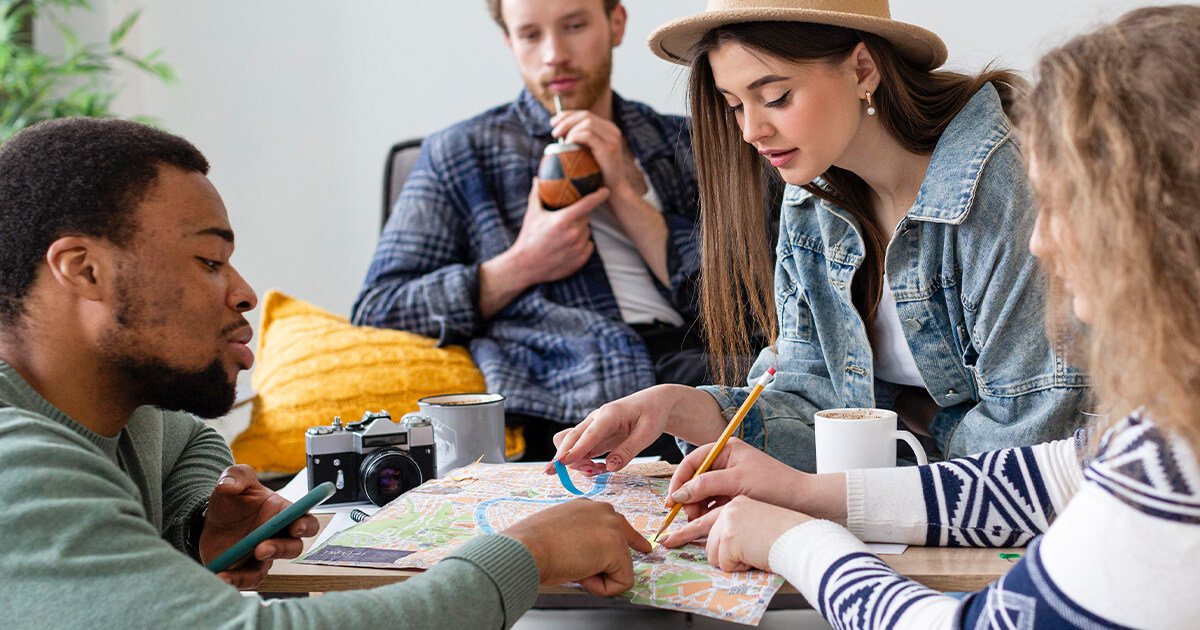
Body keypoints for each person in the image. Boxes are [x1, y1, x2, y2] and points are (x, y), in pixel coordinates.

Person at [655, 6, 1200, 628]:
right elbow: (1060, 466)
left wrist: (796, 538)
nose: (1041, 242)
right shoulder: (1160, 437)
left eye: (775, 96)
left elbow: (975, 620)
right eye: (733, 104)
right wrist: (784, 478)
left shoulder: (1174, 471)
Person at [0, 118, 650, 629]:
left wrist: (199, 519)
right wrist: (528, 554)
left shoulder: (120, 405)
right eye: (208, 260)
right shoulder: (17, 471)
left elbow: (184, 437)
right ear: (83, 270)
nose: (244, 292)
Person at [552, 0, 1087, 475]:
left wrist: (910, 436)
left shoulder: (1006, 183)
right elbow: (811, 406)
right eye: (736, 104)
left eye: (777, 97)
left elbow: (1031, 444)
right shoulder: (812, 197)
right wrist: (673, 405)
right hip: (925, 510)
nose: (750, 131)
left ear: (862, 69)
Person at [351, 0, 707, 461]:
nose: (554, 54)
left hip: (701, 369)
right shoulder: (462, 154)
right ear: (510, 43)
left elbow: (756, 300)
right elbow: (379, 308)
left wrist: (627, 194)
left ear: (616, 23)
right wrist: (519, 265)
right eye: (531, 35)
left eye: (574, 25)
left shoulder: (688, 142)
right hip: (564, 389)